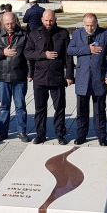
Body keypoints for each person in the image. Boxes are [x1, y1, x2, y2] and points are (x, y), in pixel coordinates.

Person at [25, 9, 74, 144]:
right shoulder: (34, 34)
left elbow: (68, 56)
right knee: (40, 108)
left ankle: (60, 133)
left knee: (59, 107)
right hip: (40, 77)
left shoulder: (63, 33)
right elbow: (28, 53)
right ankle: (40, 134)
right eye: (46, 20)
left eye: (51, 20)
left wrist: (69, 75)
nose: (48, 23)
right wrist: (43, 55)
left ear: (55, 19)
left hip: (57, 76)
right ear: (42, 20)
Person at [68, 13, 107, 146]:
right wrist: (88, 49)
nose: (90, 28)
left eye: (92, 25)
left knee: (100, 110)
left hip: (99, 78)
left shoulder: (105, 34)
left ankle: (102, 136)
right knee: (82, 111)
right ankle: (81, 135)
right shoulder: (77, 34)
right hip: (82, 78)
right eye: (87, 25)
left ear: (96, 23)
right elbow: (70, 50)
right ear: (83, 24)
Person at [0, 11, 29, 141]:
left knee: (20, 105)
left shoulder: (24, 35)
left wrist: (30, 73)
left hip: (20, 76)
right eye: (7, 24)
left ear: (16, 21)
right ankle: (3, 132)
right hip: (3, 76)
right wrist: (3, 52)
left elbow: (28, 56)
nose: (10, 26)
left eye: (12, 23)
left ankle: (22, 132)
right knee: (4, 106)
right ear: (2, 23)